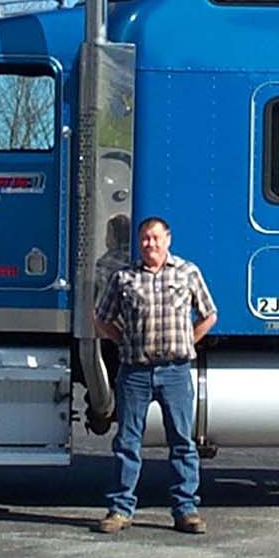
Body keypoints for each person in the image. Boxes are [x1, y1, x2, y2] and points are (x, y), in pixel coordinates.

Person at [92, 216, 217, 535]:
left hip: (175, 372)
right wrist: (124, 341)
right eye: (145, 238)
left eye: (156, 238)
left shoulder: (187, 272)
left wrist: (189, 339)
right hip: (134, 372)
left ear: (168, 240)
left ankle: (186, 509)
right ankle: (120, 510)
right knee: (127, 442)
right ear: (139, 242)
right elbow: (102, 319)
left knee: (182, 443)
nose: (151, 244)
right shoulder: (124, 277)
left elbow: (209, 314)